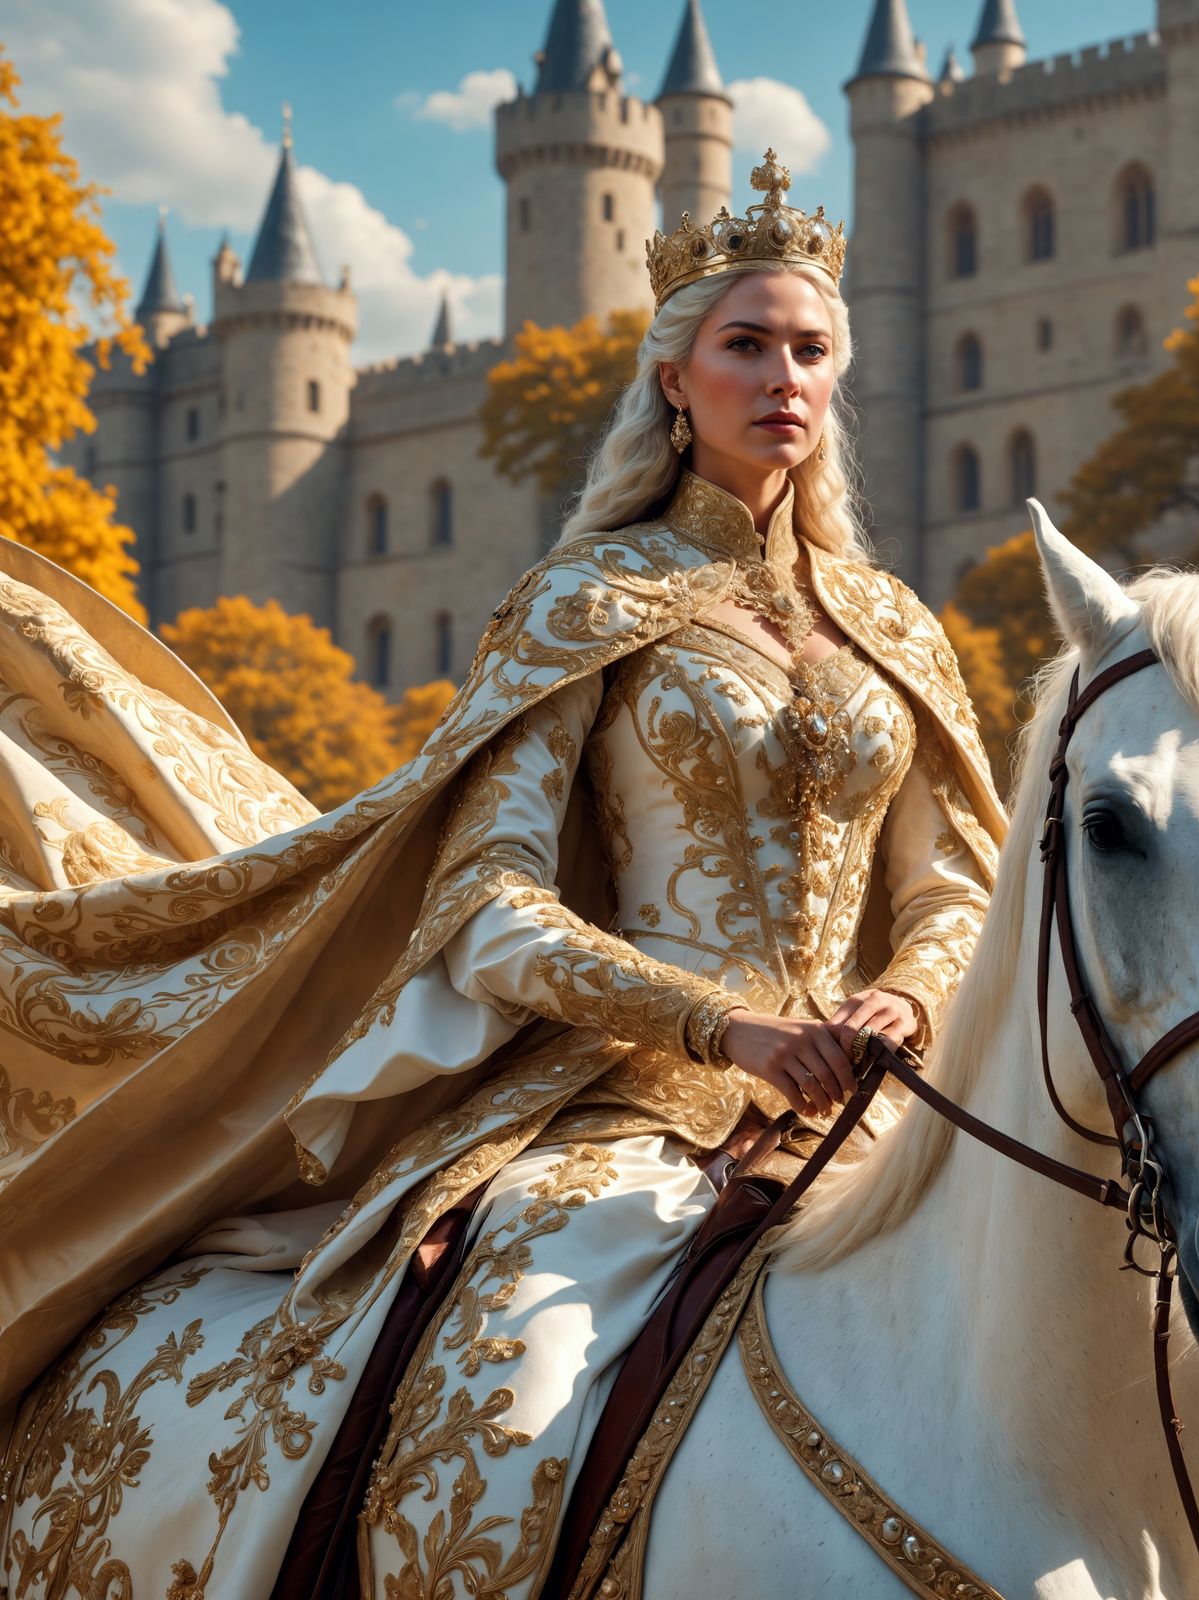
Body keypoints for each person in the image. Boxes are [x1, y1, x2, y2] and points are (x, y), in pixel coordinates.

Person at [0, 150, 1005, 1594]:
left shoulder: (898, 633)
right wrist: (721, 1027)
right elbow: (487, 912)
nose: (783, 375)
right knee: (513, 1387)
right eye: (746, 345)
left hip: (880, 1108)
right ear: (676, 376)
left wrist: (904, 999)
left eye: (812, 348)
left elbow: (955, 888)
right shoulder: (585, 603)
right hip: (625, 1106)